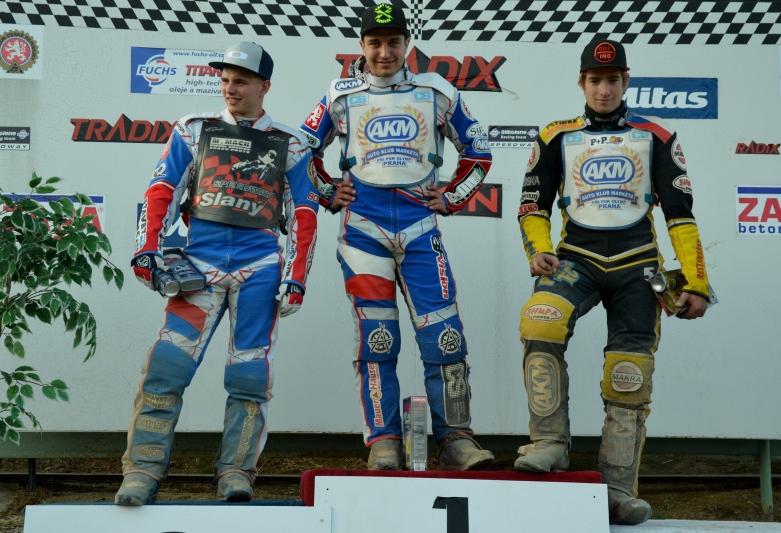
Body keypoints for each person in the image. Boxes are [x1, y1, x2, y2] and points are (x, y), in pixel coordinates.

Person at [514, 39, 711, 525]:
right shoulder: (555, 135)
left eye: (613, 80)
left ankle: (617, 489)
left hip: (638, 265)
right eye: (595, 80)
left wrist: (697, 281)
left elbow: (681, 216)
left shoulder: (656, 136)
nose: (604, 89)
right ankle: (549, 443)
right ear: (582, 83)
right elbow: (532, 206)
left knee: (629, 374)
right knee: (540, 321)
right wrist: (538, 249)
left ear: (626, 81)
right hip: (574, 260)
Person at [115, 41, 319, 505]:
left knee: (250, 376)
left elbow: (304, 212)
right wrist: (147, 249)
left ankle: (236, 470)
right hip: (200, 268)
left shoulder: (291, 143)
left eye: (241, 81)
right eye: (225, 80)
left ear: (265, 86)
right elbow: (162, 189)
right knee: (166, 367)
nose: (231, 88)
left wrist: (296, 276)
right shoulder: (193, 130)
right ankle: (142, 469)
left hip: (260, 271)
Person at [299, 2, 494, 471]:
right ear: (362, 45)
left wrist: (452, 196)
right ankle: (383, 440)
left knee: (445, 335)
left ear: (407, 43)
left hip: (420, 230)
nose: (384, 52)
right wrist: (327, 191)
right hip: (363, 235)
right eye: (375, 43)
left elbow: (479, 149)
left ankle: (456, 438)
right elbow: (300, 150)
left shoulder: (436, 91)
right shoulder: (340, 94)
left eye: (393, 42)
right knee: (377, 338)